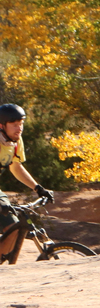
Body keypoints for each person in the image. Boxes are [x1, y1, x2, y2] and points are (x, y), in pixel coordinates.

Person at [0, 103, 54, 258]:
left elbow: (16, 167)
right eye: (14, 125)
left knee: (14, 228)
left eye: (21, 124)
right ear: (2, 125)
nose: (19, 128)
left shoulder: (16, 142)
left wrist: (38, 188)